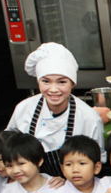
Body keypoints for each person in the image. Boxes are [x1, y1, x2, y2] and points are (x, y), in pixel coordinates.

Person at [7, 42, 105, 177]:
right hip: (30, 183)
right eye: (46, 81)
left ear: (72, 83)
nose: (53, 89)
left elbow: (97, 162)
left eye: (62, 82)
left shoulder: (89, 118)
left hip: (73, 184)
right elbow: (9, 147)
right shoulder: (24, 109)